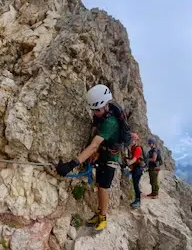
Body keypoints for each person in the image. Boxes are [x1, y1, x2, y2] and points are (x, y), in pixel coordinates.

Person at [54, 84, 125, 232]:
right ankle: (99, 213)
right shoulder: (102, 115)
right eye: (94, 110)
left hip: (111, 159)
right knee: (99, 185)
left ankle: (103, 217)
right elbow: (95, 136)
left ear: (105, 105)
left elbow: (94, 145)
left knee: (104, 188)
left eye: (97, 110)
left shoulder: (110, 122)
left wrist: (71, 164)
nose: (95, 113)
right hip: (102, 155)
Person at [126, 132, 144, 208]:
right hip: (136, 168)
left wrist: (127, 164)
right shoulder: (132, 148)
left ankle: (138, 201)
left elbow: (134, 159)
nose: (130, 141)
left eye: (132, 139)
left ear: (135, 140)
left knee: (136, 184)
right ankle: (137, 200)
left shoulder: (137, 148)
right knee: (135, 183)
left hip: (138, 168)